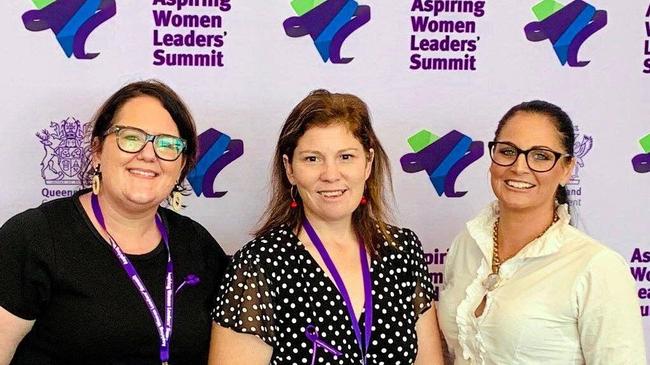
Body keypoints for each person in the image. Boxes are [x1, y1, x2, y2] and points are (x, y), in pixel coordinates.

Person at [0, 80, 229, 365]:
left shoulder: (196, 244)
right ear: (97, 150)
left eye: (168, 145)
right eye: (131, 138)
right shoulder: (34, 237)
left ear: (181, 165)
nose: (148, 155)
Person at [208, 90, 444, 364]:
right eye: (312, 159)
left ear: (368, 164)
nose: (331, 175)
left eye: (346, 157)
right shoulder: (259, 264)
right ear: (290, 169)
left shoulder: (402, 251)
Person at [438, 100, 647, 364]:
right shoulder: (466, 243)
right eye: (507, 151)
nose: (519, 167)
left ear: (567, 169)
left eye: (541, 156)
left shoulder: (597, 266)